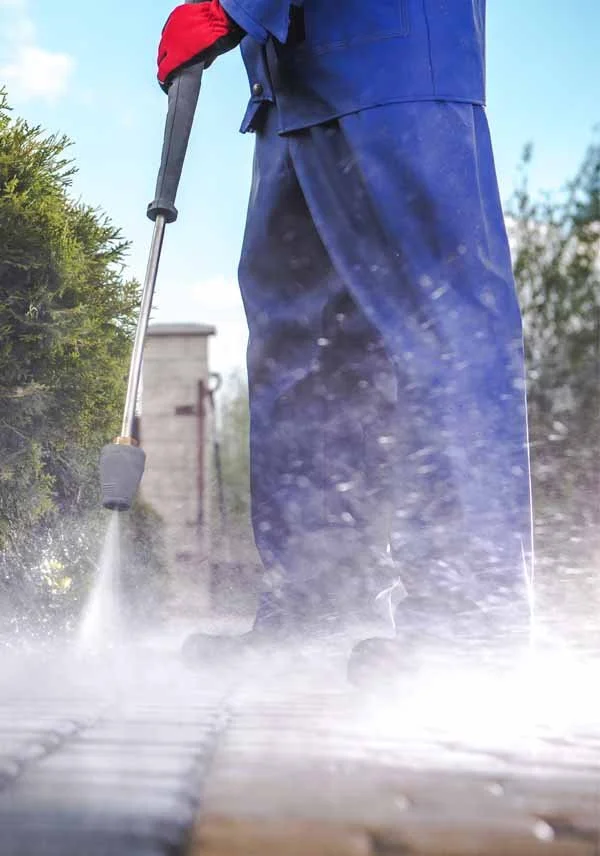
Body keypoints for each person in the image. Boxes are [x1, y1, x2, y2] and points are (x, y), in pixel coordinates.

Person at [157, 0, 534, 677]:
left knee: (443, 324)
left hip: (393, 68)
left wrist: (232, 5)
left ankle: (470, 621)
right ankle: (319, 604)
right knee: (303, 352)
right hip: (288, 85)